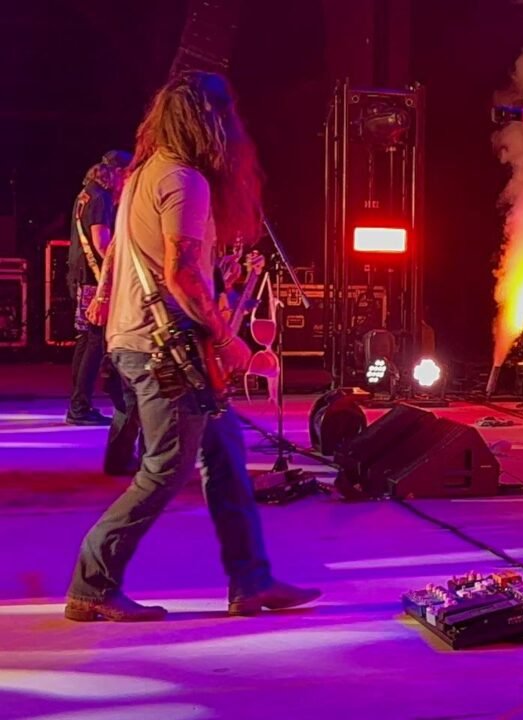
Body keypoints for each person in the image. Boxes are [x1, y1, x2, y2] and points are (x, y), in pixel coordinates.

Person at [66, 71, 319, 622]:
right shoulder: (185, 180)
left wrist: (106, 302)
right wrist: (228, 339)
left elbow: (116, 258)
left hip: (142, 339)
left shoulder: (142, 174)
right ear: (212, 123)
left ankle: (250, 583)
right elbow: (182, 272)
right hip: (169, 348)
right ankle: (92, 580)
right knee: (166, 468)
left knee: (224, 455)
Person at [66, 151, 131, 427]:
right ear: (117, 173)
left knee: (84, 341)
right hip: (94, 279)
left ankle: (78, 404)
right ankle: (80, 407)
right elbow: (101, 243)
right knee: (93, 341)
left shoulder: (86, 193)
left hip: (78, 275)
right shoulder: (101, 198)